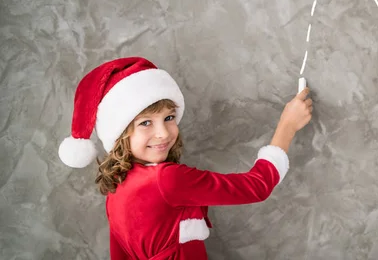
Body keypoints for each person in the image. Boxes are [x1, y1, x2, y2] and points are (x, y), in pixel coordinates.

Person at [58, 56, 313, 259]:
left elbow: (120, 254)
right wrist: (287, 126)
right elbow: (257, 186)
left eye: (169, 117)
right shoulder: (168, 179)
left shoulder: (116, 181)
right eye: (146, 122)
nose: (163, 133)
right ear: (120, 135)